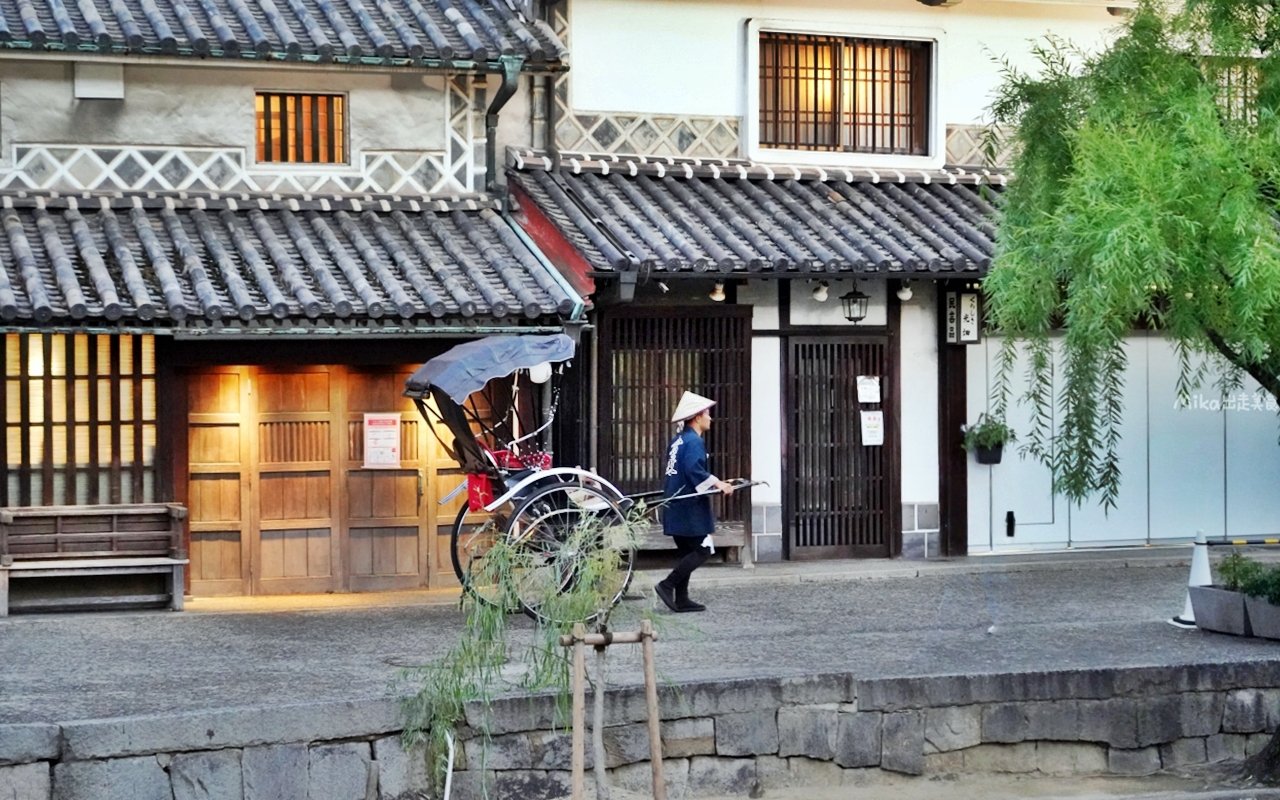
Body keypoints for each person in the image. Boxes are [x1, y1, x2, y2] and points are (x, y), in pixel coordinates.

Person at [655, 391, 734, 613]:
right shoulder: (694, 441)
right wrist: (718, 484)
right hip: (688, 506)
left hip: (674, 500)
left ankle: (681, 598)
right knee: (703, 549)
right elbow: (693, 470)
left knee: (686, 552)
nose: (711, 418)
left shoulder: (678, 440)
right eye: (707, 414)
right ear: (697, 417)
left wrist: (716, 482)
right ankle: (666, 585)